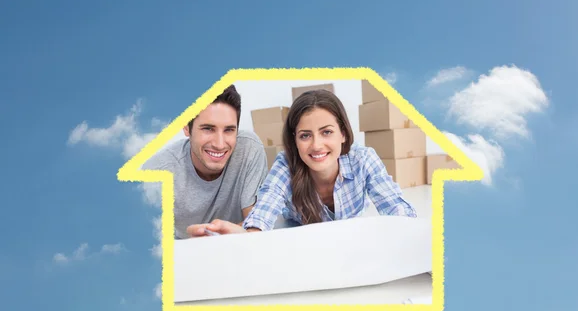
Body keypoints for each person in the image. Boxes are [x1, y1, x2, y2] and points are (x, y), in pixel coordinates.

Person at [187, 88, 416, 237]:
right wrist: (243, 234)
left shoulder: (363, 159)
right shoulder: (286, 164)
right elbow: (266, 206)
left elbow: (397, 209)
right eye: (305, 135)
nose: (316, 145)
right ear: (294, 139)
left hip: (348, 241)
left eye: (326, 132)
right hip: (303, 239)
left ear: (343, 134)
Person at [142, 84, 269, 239]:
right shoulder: (157, 171)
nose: (220, 144)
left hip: (237, 247)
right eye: (208, 129)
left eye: (229, 130)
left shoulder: (249, 149)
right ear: (187, 128)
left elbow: (257, 228)